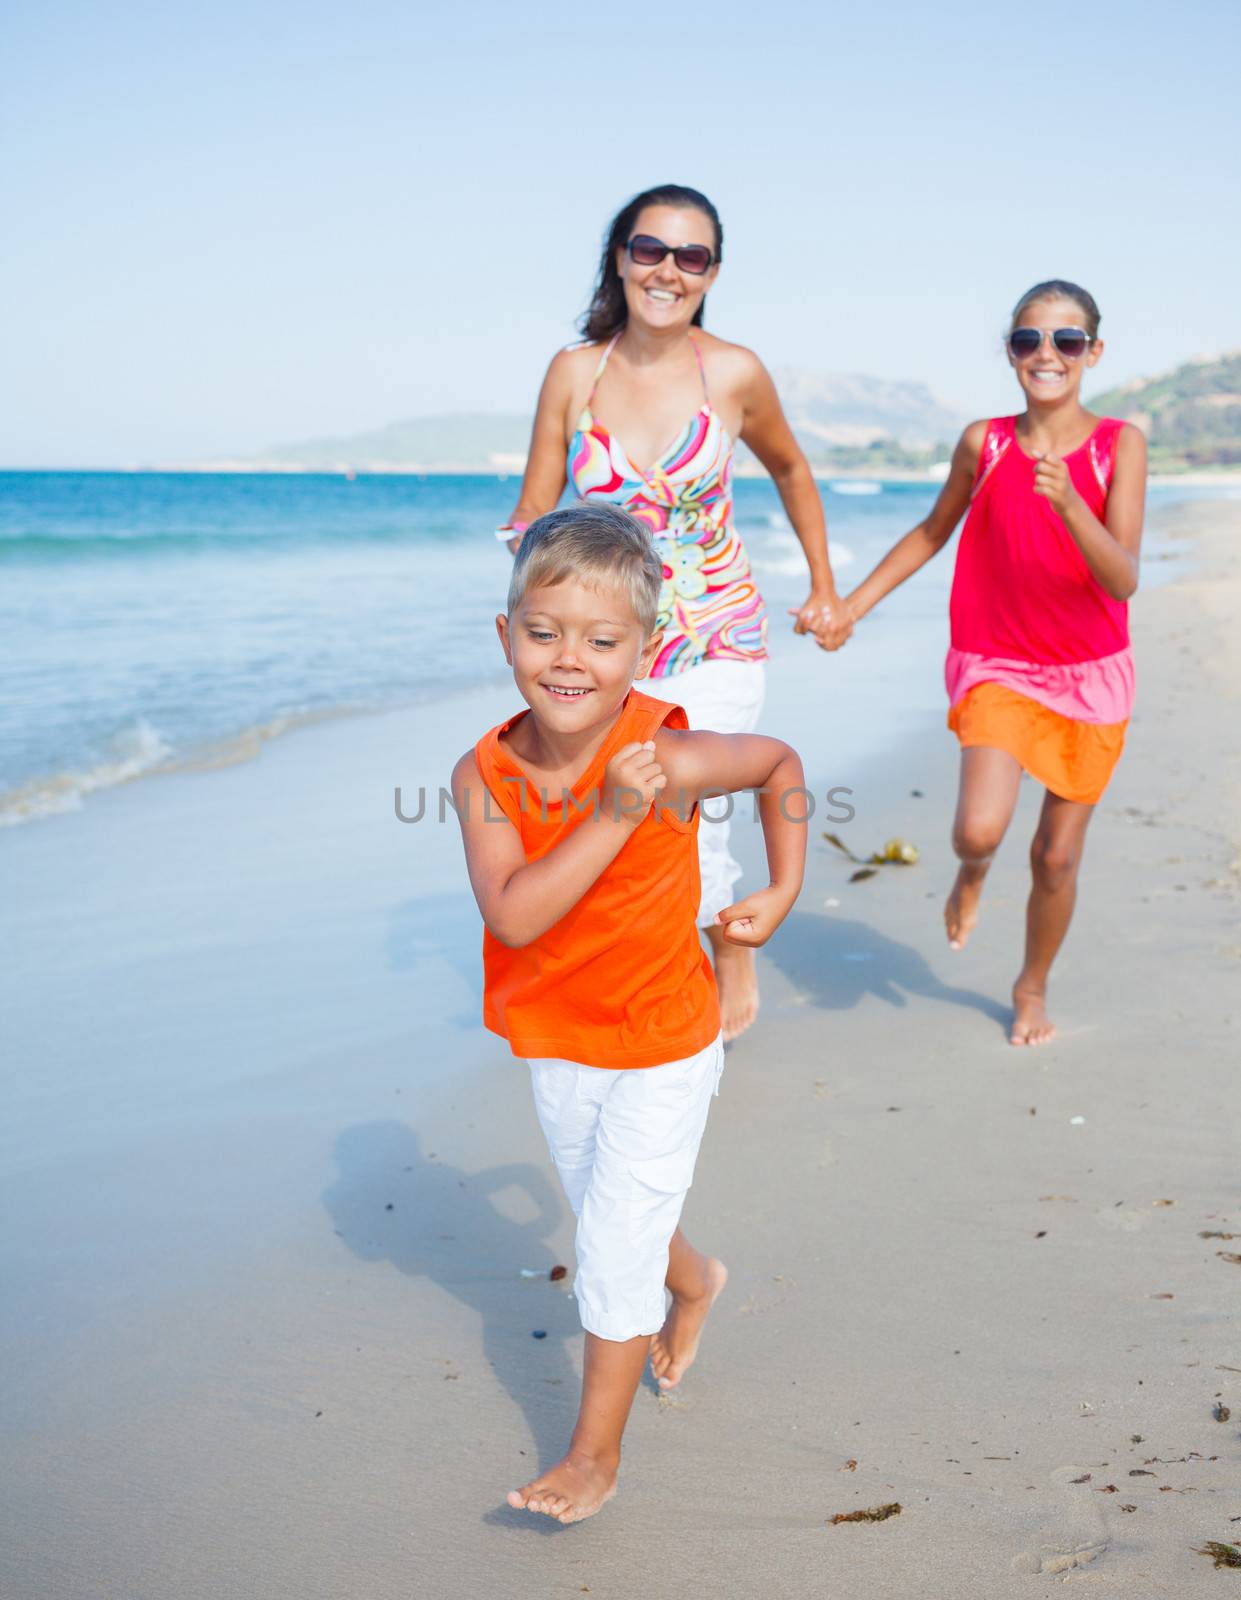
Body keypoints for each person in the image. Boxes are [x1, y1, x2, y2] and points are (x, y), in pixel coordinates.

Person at [452, 503, 807, 1523]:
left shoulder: (668, 754)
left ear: (641, 649)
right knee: (623, 1222)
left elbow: (777, 763)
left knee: (610, 1244)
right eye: (543, 631)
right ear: (504, 633)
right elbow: (515, 916)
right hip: (557, 1042)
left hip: (664, 1039)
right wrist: (609, 814)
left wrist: (779, 890)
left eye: (602, 641)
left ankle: (593, 1454)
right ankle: (693, 1281)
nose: (570, 660)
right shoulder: (480, 775)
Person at [496, 182, 848, 1042]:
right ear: (619, 257)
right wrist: (538, 623)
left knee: (686, 810)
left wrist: (824, 585)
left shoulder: (732, 371)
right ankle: (649, 957)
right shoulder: (573, 374)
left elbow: (793, 472)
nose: (666, 271)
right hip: (617, 645)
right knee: (633, 815)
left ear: (711, 273)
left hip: (719, 629)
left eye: (690, 257)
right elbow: (535, 515)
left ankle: (724, 954)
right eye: (649, 249)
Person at [843, 280, 1146, 1046]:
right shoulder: (986, 442)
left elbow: (1123, 578)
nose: (1046, 354)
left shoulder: (1120, 444)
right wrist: (851, 606)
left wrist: (1070, 503)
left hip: (1091, 672)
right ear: (1010, 352)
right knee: (979, 830)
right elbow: (929, 531)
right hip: (998, 663)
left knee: (1055, 855)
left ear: (1092, 353)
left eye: (1065, 341)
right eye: (1027, 340)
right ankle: (971, 875)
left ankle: (1029, 985)